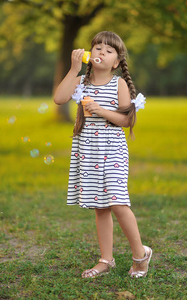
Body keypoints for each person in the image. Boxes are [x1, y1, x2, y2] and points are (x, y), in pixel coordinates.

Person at [54, 31, 152, 278]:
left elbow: (127, 120)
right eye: (97, 48)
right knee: (100, 206)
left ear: (117, 62)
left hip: (113, 150)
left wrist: (100, 110)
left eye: (108, 51)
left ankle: (140, 255)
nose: (101, 53)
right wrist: (74, 68)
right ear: (90, 54)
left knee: (118, 202)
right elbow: (59, 98)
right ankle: (106, 260)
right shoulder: (81, 82)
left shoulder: (118, 83)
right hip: (88, 150)